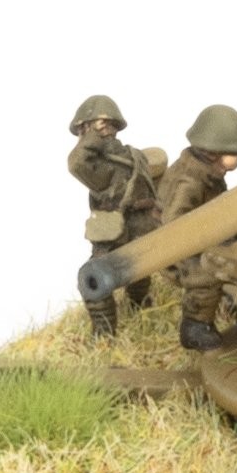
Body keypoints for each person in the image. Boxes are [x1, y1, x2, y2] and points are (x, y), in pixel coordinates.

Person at [156, 104, 237, 351]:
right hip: (175, 250)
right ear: (214, 153)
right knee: (207, 275)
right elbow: (174, 225)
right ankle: (195, 326)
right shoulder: (189, 181)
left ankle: (226, 300)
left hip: (198, 238)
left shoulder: (208, 173)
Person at [66, 94, 162, 336]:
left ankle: (117, 324)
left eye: (87, 129)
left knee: (105, 278)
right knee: (112, 275)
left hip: (128, 227)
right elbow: (77, 163)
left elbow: (76, 163)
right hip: (125, 228)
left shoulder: (119, 160)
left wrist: (92, 136)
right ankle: (117, 322)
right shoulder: (118, 160)